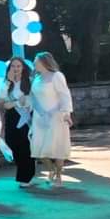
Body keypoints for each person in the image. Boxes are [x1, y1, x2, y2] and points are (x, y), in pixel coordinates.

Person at [29, 52, 74, 187]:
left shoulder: (57, 76)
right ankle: (51, 169)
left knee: (57, 146)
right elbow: (33, 97)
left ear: (44, 62)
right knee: (39, 147)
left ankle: (58, 176)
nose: (34, 63)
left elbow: (64, 95)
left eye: (36, 61)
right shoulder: (36, 78)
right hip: (39, 117)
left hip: (56, 116)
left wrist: (66, 112)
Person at [2, 57, 36, 187]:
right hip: (12, 116)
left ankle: (26, 176)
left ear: (23, 68)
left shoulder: (29, 81)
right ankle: (24, 172)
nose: (15, 68)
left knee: (25, 145)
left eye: (18, 66)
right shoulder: (7, 82)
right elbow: (2, 96)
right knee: (11, 142)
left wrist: (14, 103)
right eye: (13, 66)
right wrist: (8, 81)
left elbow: (28, 100)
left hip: (25, 116)